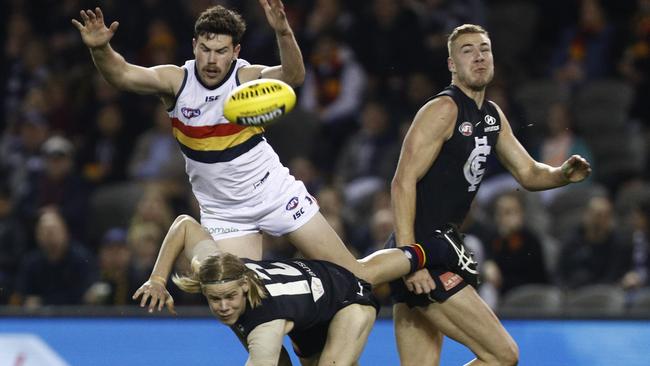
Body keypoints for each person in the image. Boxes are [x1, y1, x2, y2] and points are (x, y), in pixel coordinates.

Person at [71, 1, 393, 288]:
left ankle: (417, 256)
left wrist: (283, 32)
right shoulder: (176, 81)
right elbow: (123, 75)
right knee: (243, 303)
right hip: (226, 213)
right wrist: (101, 49)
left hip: (274, 193)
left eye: (221, 51)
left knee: (353, 275)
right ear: (194, 45)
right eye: (206, 49)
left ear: (235, 52)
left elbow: (293, 77)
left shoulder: (247, 78)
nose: (212, 60)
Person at [388, 24, 592, 365]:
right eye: (467, 51)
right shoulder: (443, 110)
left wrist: (562, 175)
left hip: (437, 247)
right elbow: (402, 182)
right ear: (452, 65)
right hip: (422, 251)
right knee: (503, 355)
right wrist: (412, 261)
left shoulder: (492, 116)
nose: (479, 56)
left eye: (485, 48)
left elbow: (528, 173)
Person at [132, 214, 435, 365]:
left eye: (230, 297)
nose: (223, 306)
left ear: (246, 284)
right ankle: (418, 254)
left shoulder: (265, 327)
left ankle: (430, 251)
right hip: (307, 309)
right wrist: (157, 279)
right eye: (215, 300)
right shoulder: (217, 267)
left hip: (348, 302)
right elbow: (184, 224)